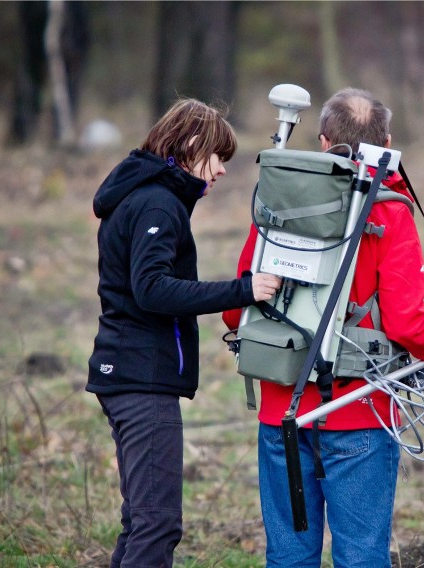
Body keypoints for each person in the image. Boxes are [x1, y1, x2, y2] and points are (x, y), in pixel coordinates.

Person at [223, 87, 424, 567]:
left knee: (289, 557)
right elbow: (407, 320)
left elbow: (238, 310)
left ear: (321, 139)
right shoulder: (390, 211)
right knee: (360, 557)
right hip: (359, 412)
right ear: (388, 142)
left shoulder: (278, 202)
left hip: (280, 414)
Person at [87, 98, 282, 567]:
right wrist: (244, 290)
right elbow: (151, 289)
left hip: (126, 374)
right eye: (218, 157)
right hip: (142, 380)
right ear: (192, 144)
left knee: (140, 520)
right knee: (157, 525)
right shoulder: (158, 201)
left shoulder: (143, 193)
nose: (220, 172)